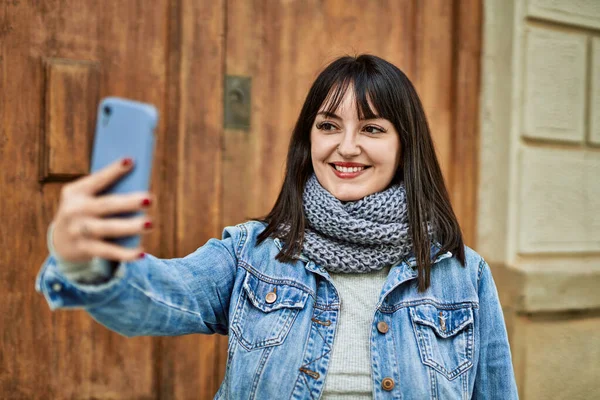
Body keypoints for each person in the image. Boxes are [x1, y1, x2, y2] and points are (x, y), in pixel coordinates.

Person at [36, 54, 519, 399]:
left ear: (404, 147)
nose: (346, 146)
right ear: (307, 140)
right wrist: (85, 260)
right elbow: (158, 298)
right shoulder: (252, 253)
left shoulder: (462, 274)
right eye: (328, 126)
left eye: (372, 129)